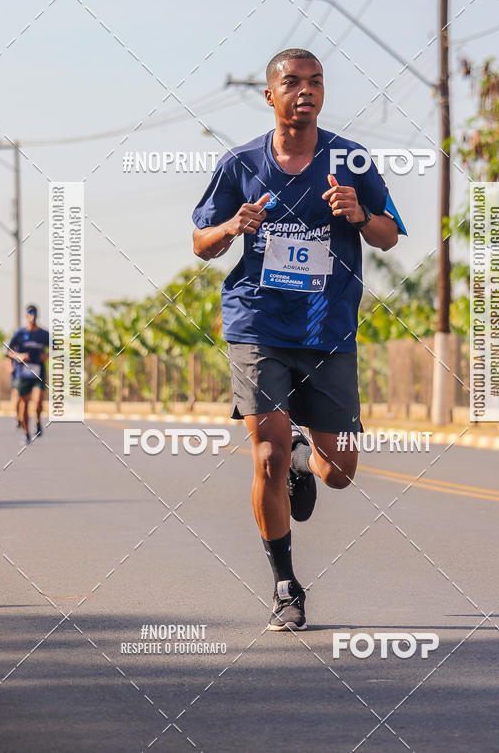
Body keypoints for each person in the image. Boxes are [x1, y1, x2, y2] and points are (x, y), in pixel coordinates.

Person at [192, 49, 407, 631]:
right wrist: (233, 225)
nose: (305, 91)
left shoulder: (350, 159)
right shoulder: (240, 163)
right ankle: (285, 585)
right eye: (292, 82)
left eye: (315, 82)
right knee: (268, 453)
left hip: (326, 328)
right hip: (258, 323)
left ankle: (304, 465)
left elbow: (389, 235)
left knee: (340, 469)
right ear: (270, 95)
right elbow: (202, 243)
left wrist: (359, 215)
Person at [7, 305, 49, 445]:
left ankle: (38, 421)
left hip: (38, 372)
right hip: (23, 373)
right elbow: (8, 350)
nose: (33, 316)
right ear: (26, 316)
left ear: (37, 316)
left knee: (38, 401)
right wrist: (18, 356)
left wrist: (46, 355)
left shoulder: (44, 334)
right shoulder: (20, 333)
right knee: (23, 403)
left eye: (34, 314)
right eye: (30, 314)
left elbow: (57, 347)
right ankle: (26, 433)